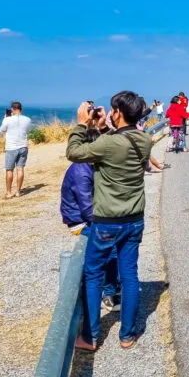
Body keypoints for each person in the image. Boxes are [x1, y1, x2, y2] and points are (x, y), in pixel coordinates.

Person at [67, 91, 153, 352]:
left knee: (94, 275)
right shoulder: (145, 139)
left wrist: (83, 123)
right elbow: (118, 146)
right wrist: (106, 127)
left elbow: (74, 152)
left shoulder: (109, 144)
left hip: (107, 221)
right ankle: (127, 335)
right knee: (129, 274)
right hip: (134, 219)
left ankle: (91, 337)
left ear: (119, 113)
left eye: (114, 110)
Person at [60, 115, 121, 312]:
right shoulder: (82, 170)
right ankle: (108, 294)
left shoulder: (91, 166)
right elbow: (87, 209)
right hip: (80, 221)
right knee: (110, 249)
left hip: (90, 215)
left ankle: (111, 286)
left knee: (117, 241)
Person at [0, 101, 32, 199]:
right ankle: (18, 191)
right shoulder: (27, 119)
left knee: (9, 170)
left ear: (12, 109)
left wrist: (5, 118)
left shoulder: (8, 119)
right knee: (20, 169)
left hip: (11, 147)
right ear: (21, 109)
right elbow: (27, 131)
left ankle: (9, 192)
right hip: (23, 146)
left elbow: (2, 130)